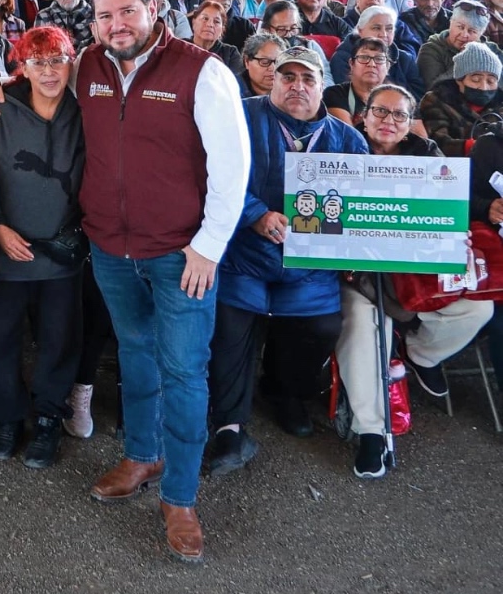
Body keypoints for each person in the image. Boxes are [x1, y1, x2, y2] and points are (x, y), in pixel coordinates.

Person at [0, 0, 249, 563]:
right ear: (93, 24)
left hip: (182, 255)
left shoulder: (203, 72)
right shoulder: (92, 68)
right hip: (110, 249)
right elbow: (38, 77)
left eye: (126, 12)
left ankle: (179, 496)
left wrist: (209, 246)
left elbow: (234, 166)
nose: (115, 25)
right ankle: (143, 454)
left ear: (152, 8)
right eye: (104, 17)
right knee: (135, 355)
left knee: (183, 371)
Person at [206, 46, 367, 477]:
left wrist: (354, 250)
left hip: (309, 266)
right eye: (287, 77)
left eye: (308, 79)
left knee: (320, 327)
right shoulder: (240, 118)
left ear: (322, 84)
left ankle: (282, 391)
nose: (297, 86)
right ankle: (229, 424)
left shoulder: (347, 140)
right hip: (243, 255)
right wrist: (255, 214)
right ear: (271, 80)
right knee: (230, 327)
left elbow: (362, 205)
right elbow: (210, 173)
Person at [338, 83, 491, 478]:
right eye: (381, 112)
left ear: (410, 124)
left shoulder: (427, 156)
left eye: (400, 115)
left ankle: (421, 355)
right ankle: (372, 431)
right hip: (358, 276)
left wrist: (458, 232)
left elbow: (449, 213)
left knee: (477, 308)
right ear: (364, 114)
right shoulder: (342, 149)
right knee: (361, 325)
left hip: (414, 272)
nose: (389, 121)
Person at [0, 26, 84, 468]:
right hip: (6, 249)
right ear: (23, 65)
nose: (49, 71)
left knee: (59, 337)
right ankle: (7, 417)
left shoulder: (85, 108)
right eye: (38, 62)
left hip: (62, 249)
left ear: (70, 62)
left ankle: (47, 419)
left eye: (57, 60)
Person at [419, 41, 503, 156]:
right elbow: (437, 143)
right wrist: (482, 146)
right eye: (476, 79)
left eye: (491, 81)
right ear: (459, 80)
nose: (484, 87)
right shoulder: (436, 100)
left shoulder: (500, 104)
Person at [417, 1, 503, 90]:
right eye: (460, 27)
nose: (464, 35)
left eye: (472, 31)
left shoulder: (492, 50)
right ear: (450, 23)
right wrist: (464, 60)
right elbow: (433, 88)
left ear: (481, 33)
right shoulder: (431, 49)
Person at [186, 1, 243, 69]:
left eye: (216, 21)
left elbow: (236, 79)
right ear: (193, 22)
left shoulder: (230, 54)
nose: (210, 24)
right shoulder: (180, 48)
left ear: (222, 29)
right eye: (205, 18)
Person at [237, 33, 287, 98]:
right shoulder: (231, 91)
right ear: (247, 61)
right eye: (265, 62)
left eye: (278, 61)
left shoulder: (290, 91)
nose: (273, 68)